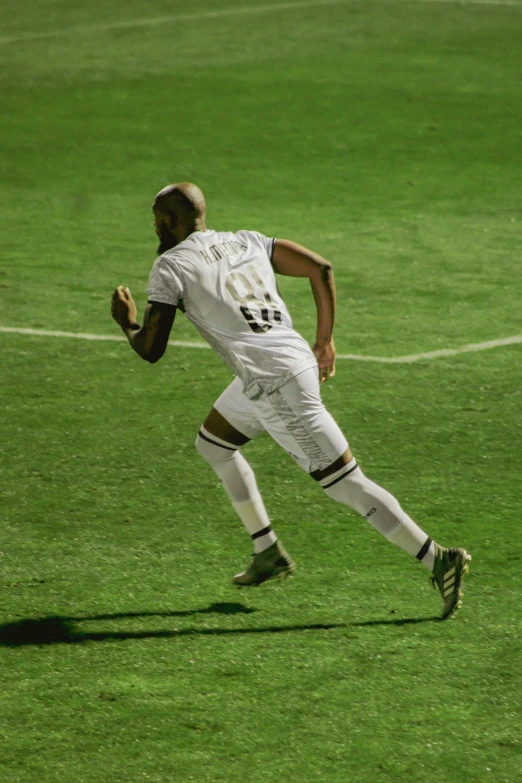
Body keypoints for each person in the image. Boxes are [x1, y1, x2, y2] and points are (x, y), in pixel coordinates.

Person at [111, 182, 471, 620]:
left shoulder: (170, 267)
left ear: (169, 221)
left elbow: (151, 348)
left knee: (346, 483)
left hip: (272, 383)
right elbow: (320, 267)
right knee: (213, 444)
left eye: (155, 219)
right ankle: (266, 550)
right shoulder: (247, 240)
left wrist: (127, 323)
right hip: (290, 360)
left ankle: (438, 559)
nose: (153, 227)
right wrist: (325, 341)